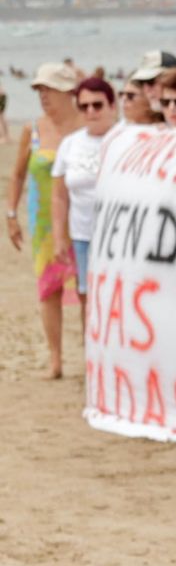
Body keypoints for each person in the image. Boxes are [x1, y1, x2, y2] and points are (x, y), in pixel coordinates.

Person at [7, 62, 83, 377]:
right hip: (43, 223)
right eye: (39, 90)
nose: (43, 96)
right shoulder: (33, 129)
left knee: (86, 289)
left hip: (81, 220)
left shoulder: (86, 126)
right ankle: (56, 360)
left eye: (48, 89)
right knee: (49, 289)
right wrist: (11, 214)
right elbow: (17, 174)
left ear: (68, 92)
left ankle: (92, 356)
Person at [49, 76, 118, 352]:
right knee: (86, 297)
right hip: (83, 235)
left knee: (117, 296)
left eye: (97, 105)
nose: (91, 112)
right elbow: (59, 195)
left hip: (119, 237)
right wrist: (59, 237)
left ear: (112, 106)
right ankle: (92, 355)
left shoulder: (124, 138)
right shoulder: (70, 144)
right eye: (84, 106)